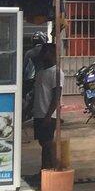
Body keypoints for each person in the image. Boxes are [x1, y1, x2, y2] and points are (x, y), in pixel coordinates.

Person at [32, 43, 61, 174]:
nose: (42, 54)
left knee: (47, 143)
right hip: (39, 113)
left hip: (47, 114)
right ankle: (44, 170)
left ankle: (55, 168)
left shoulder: (56, 73)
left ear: (52, 54)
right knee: (43, 142)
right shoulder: (40, 73)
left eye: (45, 51)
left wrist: (48, 115)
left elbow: (56, 96)